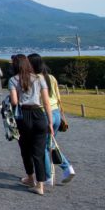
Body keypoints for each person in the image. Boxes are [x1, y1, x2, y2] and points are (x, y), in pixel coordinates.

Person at [8, 54, 55, 195]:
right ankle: (40, 185)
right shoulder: (40, 78)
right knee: (38, 152)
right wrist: (50, 122)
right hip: (39, 115)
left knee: (25, 149)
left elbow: (15, 102)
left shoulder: (13, 80)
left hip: (23, 116)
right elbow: (46, 101)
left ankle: (30, 178)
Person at [28, 53, 75, 185]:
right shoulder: (51, 77)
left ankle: (47, 176)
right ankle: (67, 168)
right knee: (51, 143)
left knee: (42, 146)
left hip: (44, 113)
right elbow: (58, 98)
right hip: (56, 113)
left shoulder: (35, 79)